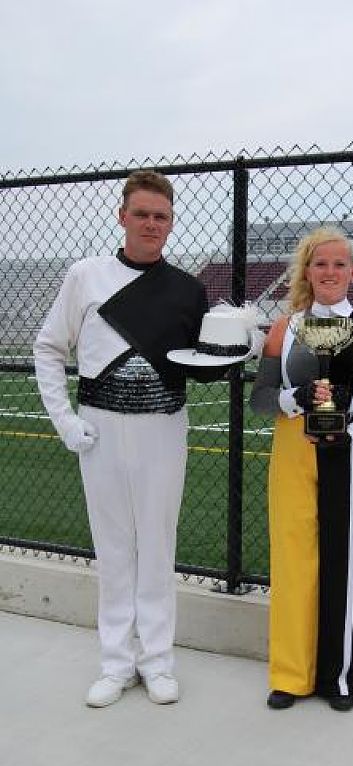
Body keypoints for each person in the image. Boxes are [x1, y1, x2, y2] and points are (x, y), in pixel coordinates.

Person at [34, 170, 232, 708]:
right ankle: (116, 664)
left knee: (158, 546)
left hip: (163, 428)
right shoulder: (85, 275)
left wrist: (240, 342)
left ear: (171, 223)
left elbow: (202, 364)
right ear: (123, 216)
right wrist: (65, 421)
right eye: (141, 214)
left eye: (160, 216)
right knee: (114, 547)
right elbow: (48, 348)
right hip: (100, 428)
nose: (150, 223)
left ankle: (158, 661)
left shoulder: (188, 289)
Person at [250, 226, 353, 712]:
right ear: (307, 272)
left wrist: (351, 432)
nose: (330, 271)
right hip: (292, 449)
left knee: (343, 560)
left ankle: (339, 676)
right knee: (291, 560)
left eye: (339, 264)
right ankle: (290, 675)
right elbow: (260, 400)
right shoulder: (285, 327)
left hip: (348, 450)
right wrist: (295, 397)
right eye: (320, 263)